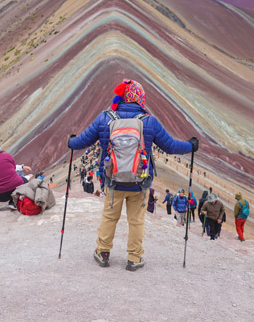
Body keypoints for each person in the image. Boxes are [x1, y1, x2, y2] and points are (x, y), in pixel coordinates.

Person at [69, 79, 197, 271]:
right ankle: (134, 258)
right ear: (140, 97)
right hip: (140, 182)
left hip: (113, 181)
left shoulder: (104, 118)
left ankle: (103, 252)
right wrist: (191, 145)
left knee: (109, 217)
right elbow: (170, 146)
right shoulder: (149, 122)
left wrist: (71, 142)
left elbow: (81, 142)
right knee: (136, 220)